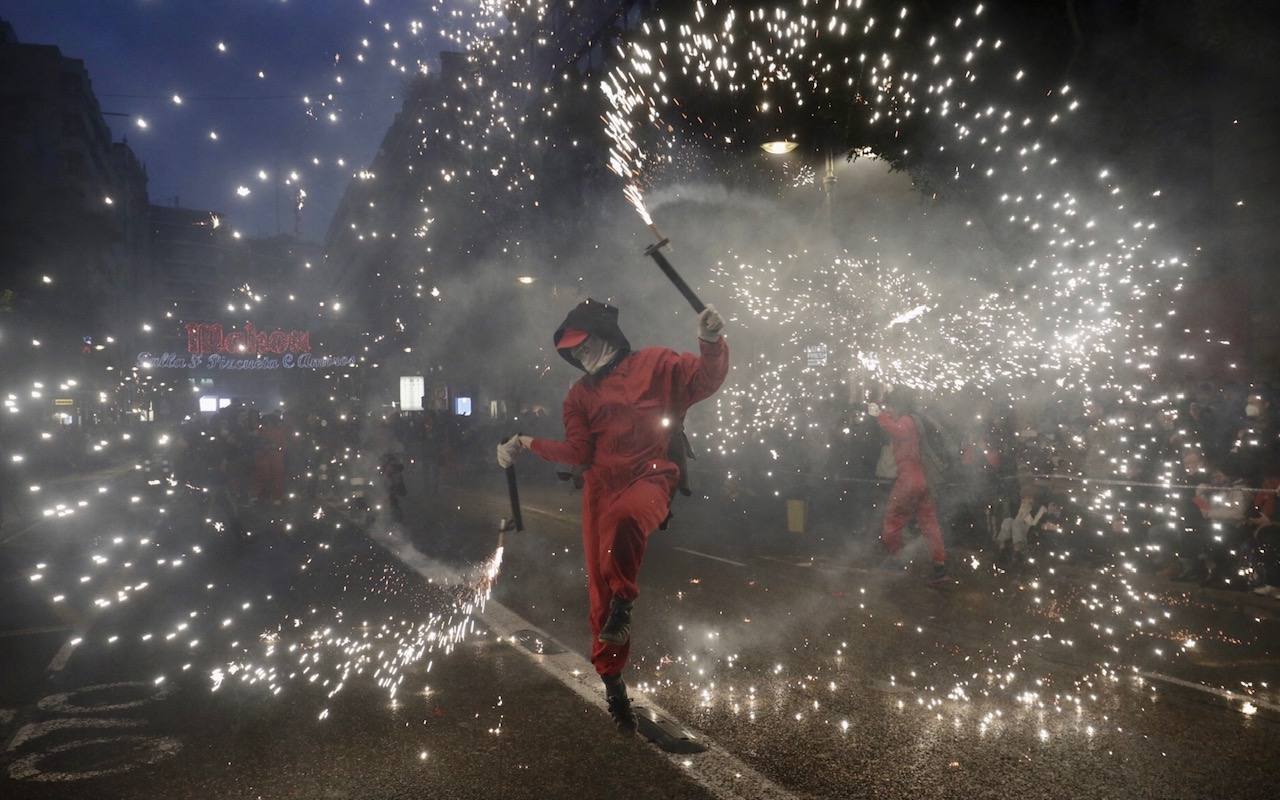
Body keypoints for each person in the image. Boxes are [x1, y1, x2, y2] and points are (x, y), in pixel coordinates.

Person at [496, 298, 728, 734]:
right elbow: (579, 453)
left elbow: (705, 379)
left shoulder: (657, 363)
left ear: (607, 337)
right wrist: (526, 442)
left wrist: (711, 341)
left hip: (653, 474)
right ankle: (614, 685)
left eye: (586, 345)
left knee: (626, 522)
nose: (582, 356)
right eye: (573, 352)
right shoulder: (578, 396)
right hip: (600, 489)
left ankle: (626, 600)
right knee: (598, 597)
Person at [869, 385, 948, 583]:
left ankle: (897, 560)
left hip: (909, 479)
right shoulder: (919, 419)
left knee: (893, 519)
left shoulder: (907, 420)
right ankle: (940, 567)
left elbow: (897, 431)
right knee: (929, 523)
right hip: (923, 478)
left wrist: (881, 416)